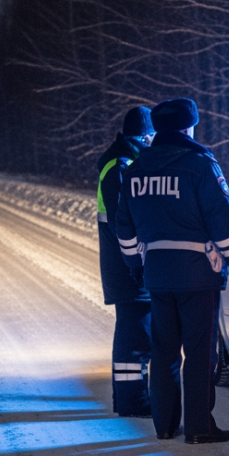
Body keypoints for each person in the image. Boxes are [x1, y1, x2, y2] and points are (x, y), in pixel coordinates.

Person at [113, 98, 229, 444]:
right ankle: (199, 427)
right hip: (197, 276)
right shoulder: (200, 165)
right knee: (200, 353)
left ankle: (164, 425)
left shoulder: (136, 170)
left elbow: (124, 229)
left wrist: (135, 265)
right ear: (189, 128)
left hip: (157, 275)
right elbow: (224, 223)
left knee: (163, 352)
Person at [97, 106, 156, 417]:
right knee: (135, 337)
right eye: (153, 135)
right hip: (127, 266)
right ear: (145, 136)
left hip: (125, 264)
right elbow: (125, 221)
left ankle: (129, 398)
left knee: (135, 333)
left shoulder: (122, 162)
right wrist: (138, 260)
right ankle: (134, 401)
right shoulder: (121, 166)